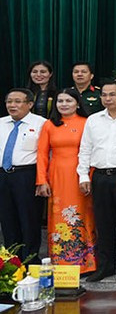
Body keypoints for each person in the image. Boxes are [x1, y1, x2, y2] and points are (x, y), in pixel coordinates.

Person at [77, 81, 116, 282]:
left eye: (112, 94)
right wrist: (84, 175)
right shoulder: (93, 120)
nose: (107, 98)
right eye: (104, 95)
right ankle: (106, 266)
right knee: (103, 224)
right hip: (100, 176)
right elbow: (85, 149)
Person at [35, 89, 97, 274]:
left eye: (68, 100)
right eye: (60, 101)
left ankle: (87, 264)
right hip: (57, 177)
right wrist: (41, 180)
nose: (63, 104)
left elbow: (92, 151)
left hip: (81, 176)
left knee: (83, 216)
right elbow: (42, 154)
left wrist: (89, 177)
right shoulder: (49, 125)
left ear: (77, 103)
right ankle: (62, 265)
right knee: (59, 217)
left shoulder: (87, 123)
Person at [0, 89, 46, 262]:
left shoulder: (42, 123)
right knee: (7, 220)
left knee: (29, 220)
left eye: (18, 101)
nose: (12, 105)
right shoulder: (1, 123)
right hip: (3, 176)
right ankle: (12, 263)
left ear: (30, 104)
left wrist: (42, 180)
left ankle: (31, 261)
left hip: (27, 175)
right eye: (9, 101)